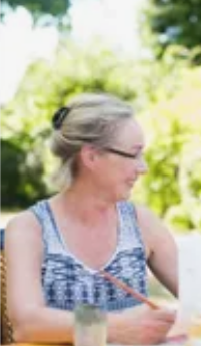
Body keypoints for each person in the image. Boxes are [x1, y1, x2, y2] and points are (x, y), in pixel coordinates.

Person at [5, 93, 178, 344]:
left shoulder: (142, 223)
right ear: (91, 156)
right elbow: (26, 324)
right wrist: (117, 327)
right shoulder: (29, 229)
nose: (143, 167)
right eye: (134, 154)